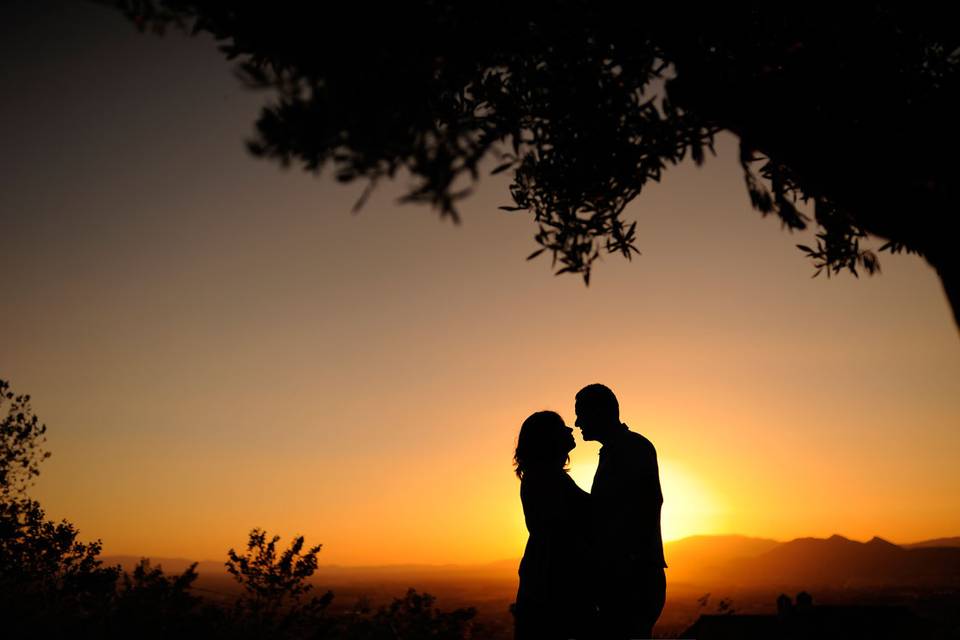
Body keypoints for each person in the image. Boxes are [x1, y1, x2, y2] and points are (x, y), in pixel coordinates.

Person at [575, 384, 666, 640]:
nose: (577, 422)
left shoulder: (631, 448)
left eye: (581, 413)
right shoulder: (620, 449)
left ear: (600, 412)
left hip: (631, 578)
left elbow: (638, 510)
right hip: (628, 574)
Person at [513, 410, 595, 639]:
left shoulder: (546, 476)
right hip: (552, 582)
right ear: (547, 438)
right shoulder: (545, 478)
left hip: (549, 576)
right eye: (562, 427)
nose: (570, 429)